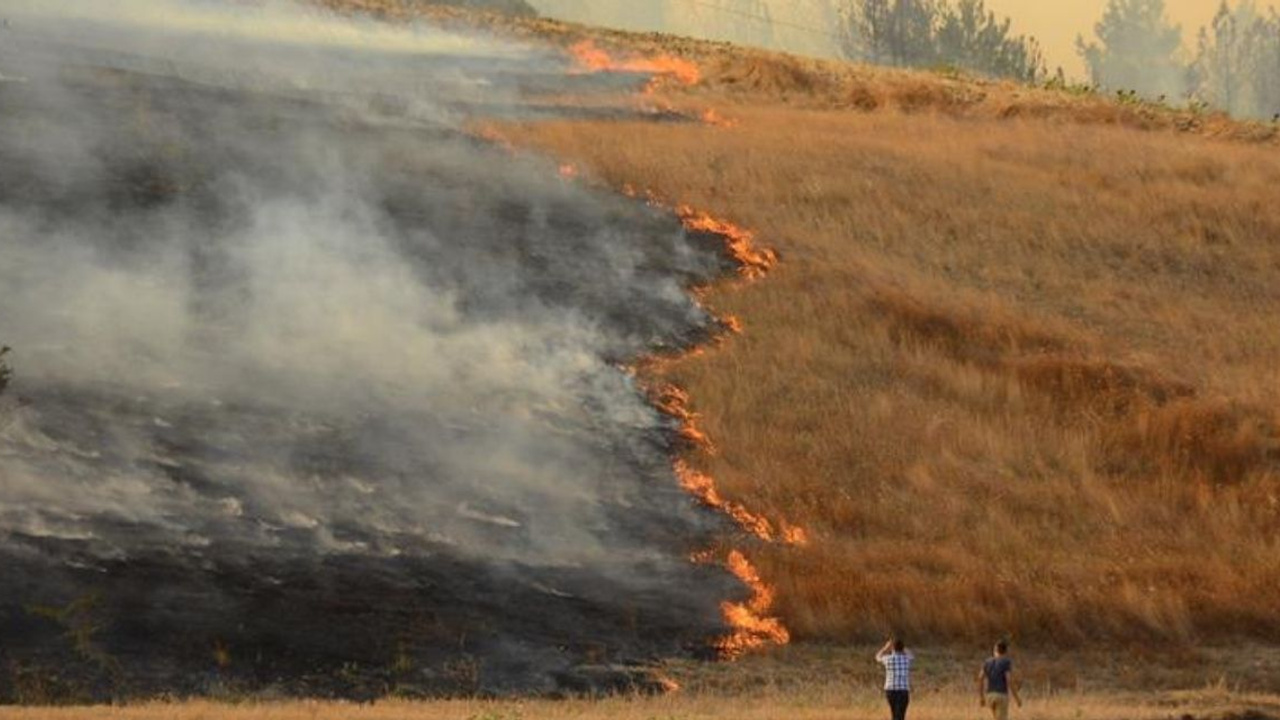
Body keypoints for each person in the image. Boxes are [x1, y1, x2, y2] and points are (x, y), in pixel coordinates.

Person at [978, 640, 1023, 720]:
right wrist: (1017, 698)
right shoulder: (1006, 662)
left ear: (995, 650)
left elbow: (980, 678)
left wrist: (981, 697)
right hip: (1001, 695)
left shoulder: (987, 662)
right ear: (1006, 651)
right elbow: (1008, 680)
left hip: (990, 695)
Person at [874, 637, 913, 720]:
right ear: (902, 649)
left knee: (894, 713)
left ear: (893, 648)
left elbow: (877, 657)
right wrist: (904, 648)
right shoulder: (906, 659)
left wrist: (886, 647)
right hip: (903, 690)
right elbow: (911, 655)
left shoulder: (888, 659)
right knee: (901, 715)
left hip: (890, 690)